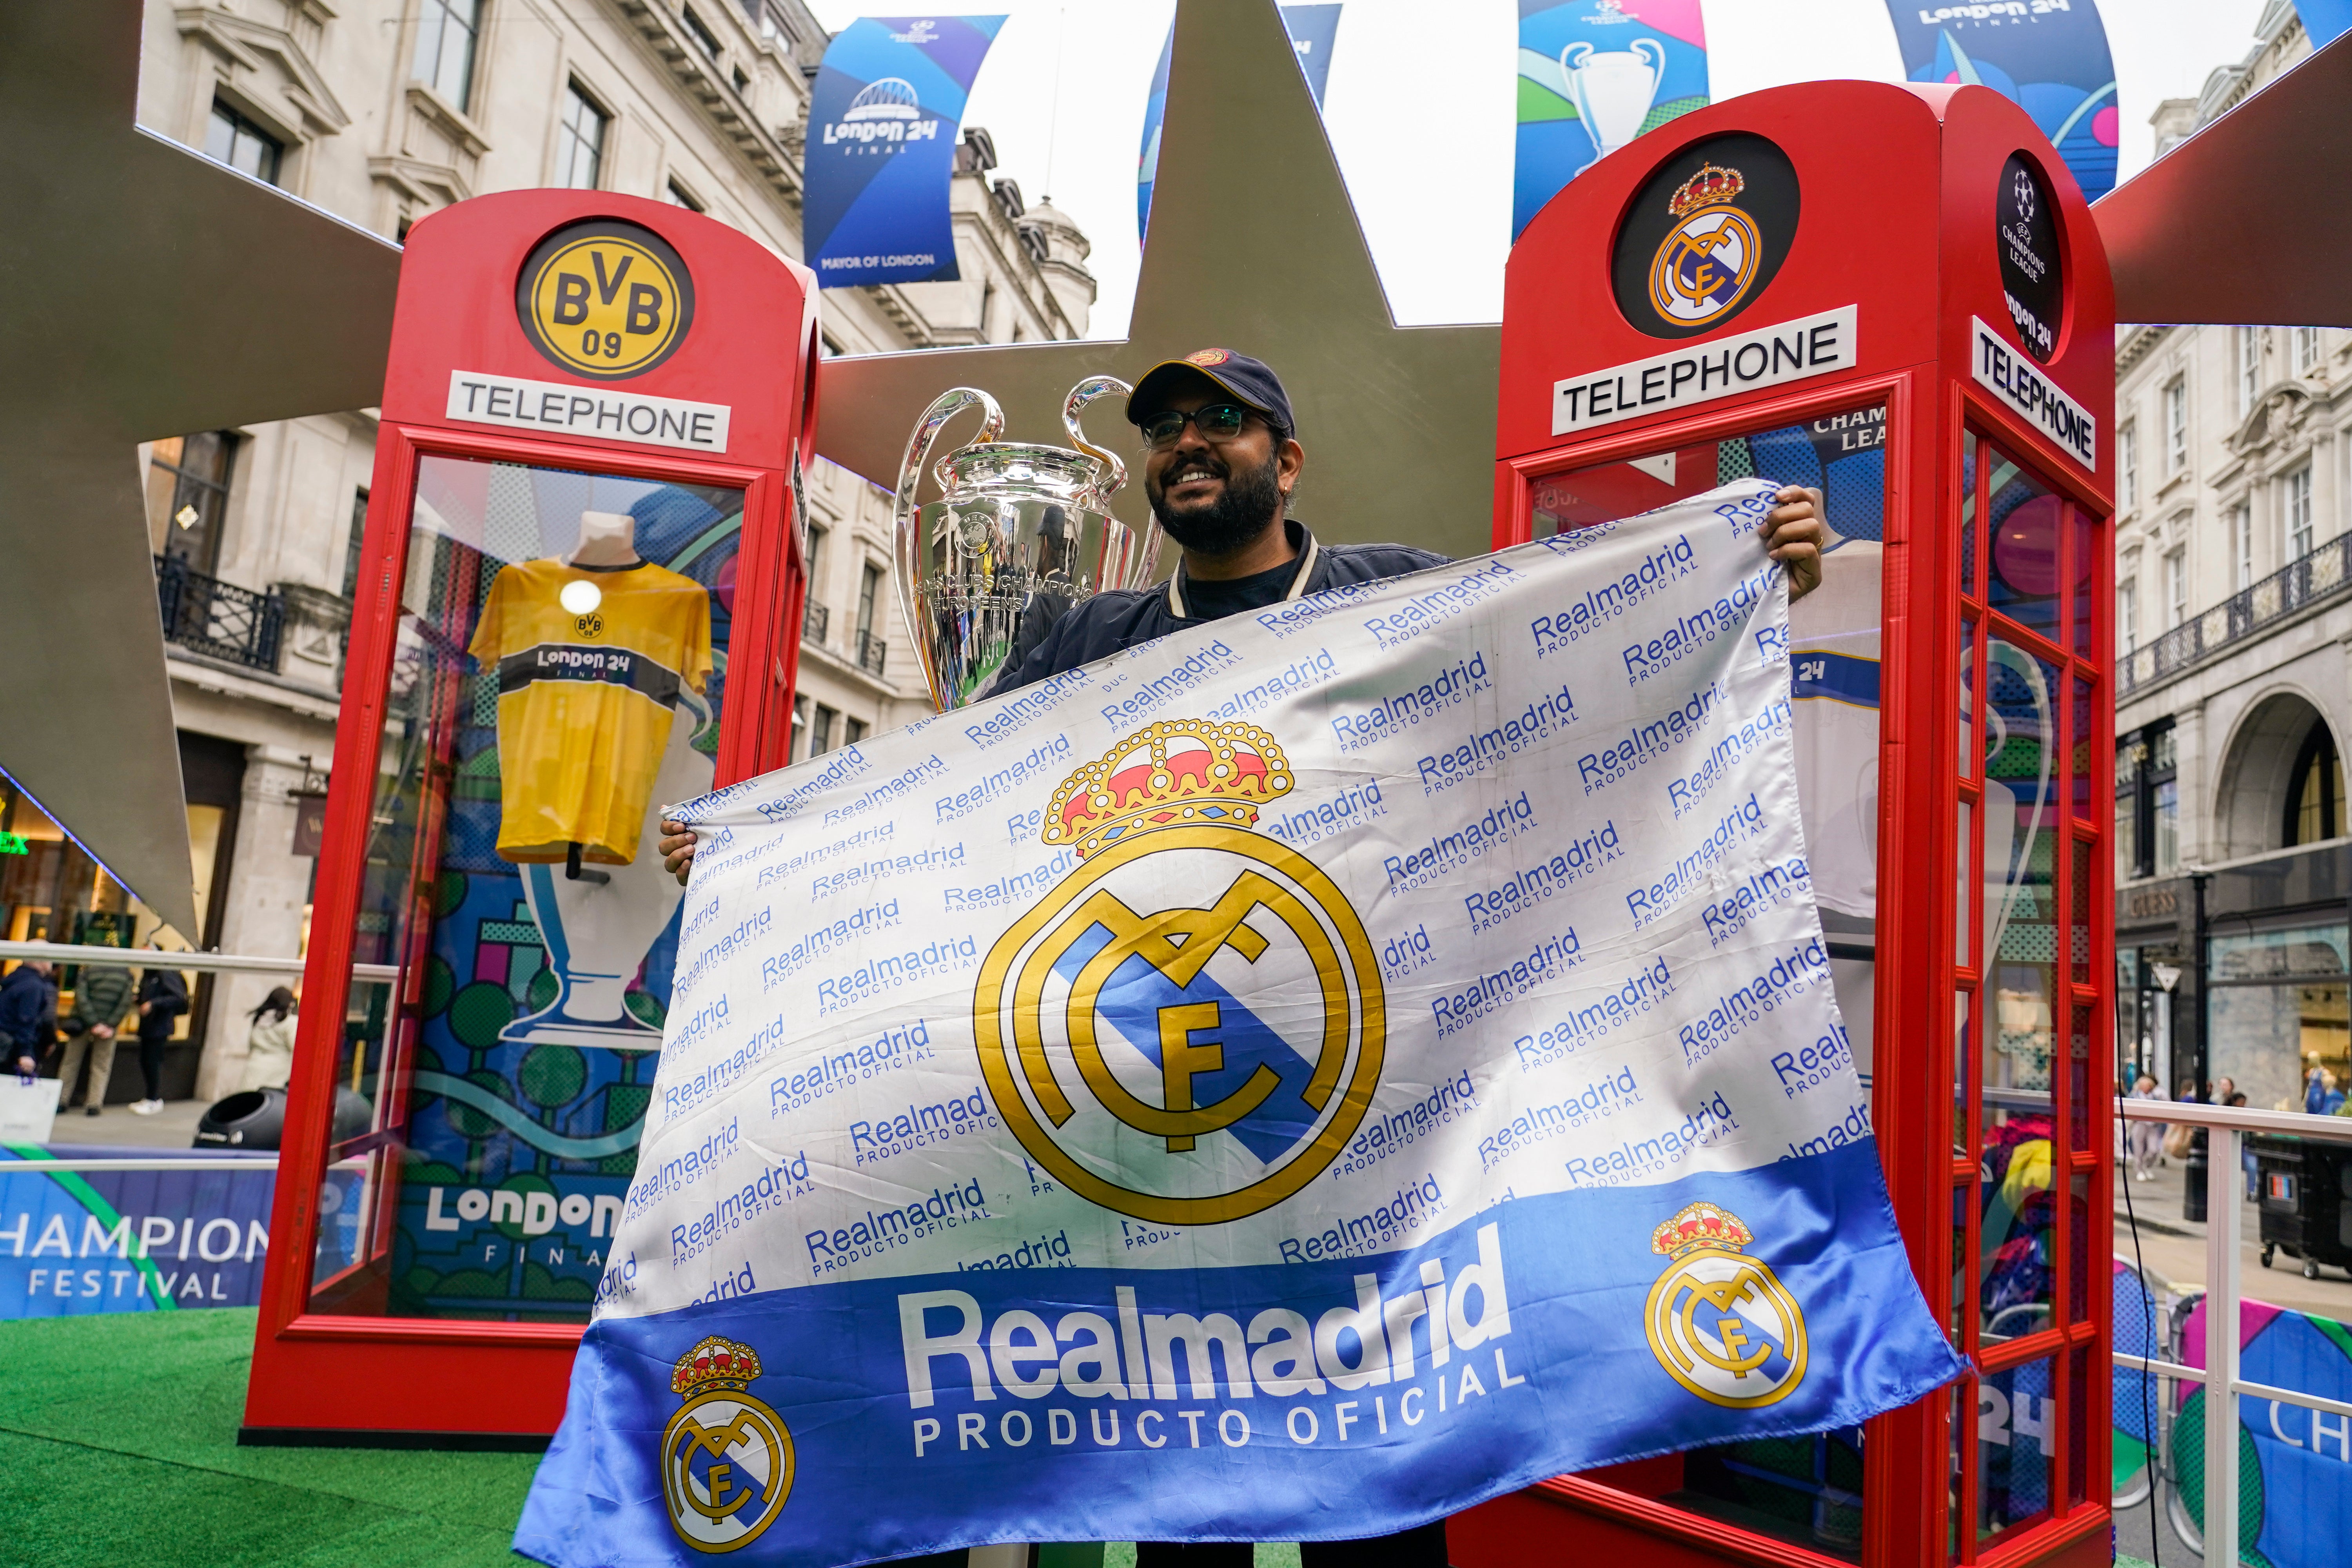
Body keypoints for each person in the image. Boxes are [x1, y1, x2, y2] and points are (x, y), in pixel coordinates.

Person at [654, 350, 1832, 1568]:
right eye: (1165, 426)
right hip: (1147, 1134)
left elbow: (1562, 668)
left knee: (1381, 1464)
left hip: (1362, 1133)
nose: (1187, 441)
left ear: (1288, 456)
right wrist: (760, 849)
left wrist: (1732, 572)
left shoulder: (1391, 597)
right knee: (1179, 1475)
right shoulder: (1085, 636)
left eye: (1224, 419)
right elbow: (944, 806)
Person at [57, 959, 134, 1116]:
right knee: (101, 1066)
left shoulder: (88, 971)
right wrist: (110, 1024)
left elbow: (81, 997)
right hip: (108, 1028)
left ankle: (61, 1101)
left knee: (71, 1062)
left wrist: (92, 1022)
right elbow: (125, 1002)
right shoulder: (126, 975)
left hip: (83, 1023)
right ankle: (94, 1104)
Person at [130, 953, 189, 1116]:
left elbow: (177, 998)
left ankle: (153, 1099)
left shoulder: (165, 973)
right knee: (146, 1061)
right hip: (149, 1025)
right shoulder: (149, 975)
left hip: (160, 1025)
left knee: (152, 1061)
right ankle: (149, 1097)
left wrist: (153, 1004)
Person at [0, 959, 52, 1082]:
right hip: (12, 1049)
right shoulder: (34, 986)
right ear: (42, 961)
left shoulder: (13, 980)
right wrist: (26, 1053)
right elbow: (27, 1020)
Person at [238, 987, 299, 1093]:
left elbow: (252, 1043)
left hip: (253, 1066)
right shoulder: (290, 1022)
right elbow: (294, 1047)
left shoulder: (260, 1018)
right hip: (277, 1070)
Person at [2127, 1072, 2163, 1181]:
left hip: (2153, 1126)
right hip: (2139, 1125)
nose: (2145, 1088)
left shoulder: (2156, 1097)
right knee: (2138, 1149)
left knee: (2154, 1150)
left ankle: (2147, 1166)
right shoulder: (2134, 1096)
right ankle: (2139, 1170)